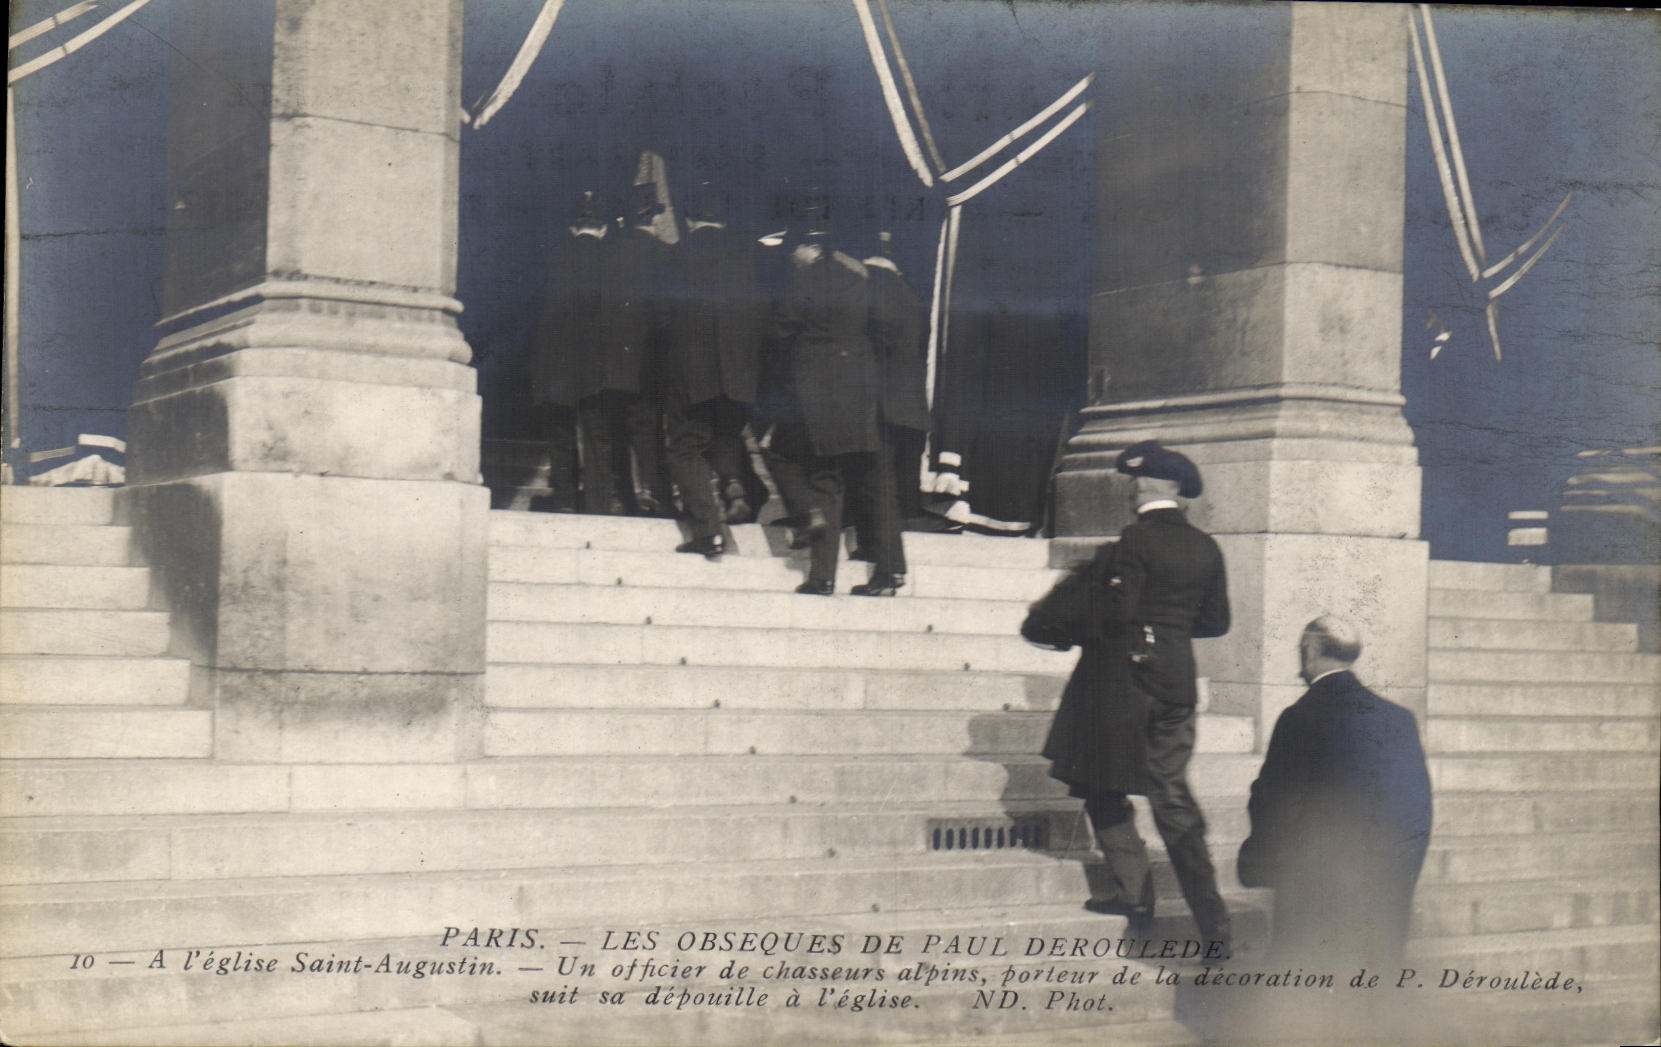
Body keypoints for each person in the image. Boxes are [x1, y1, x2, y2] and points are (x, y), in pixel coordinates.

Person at [1032, 439, 1232, 954]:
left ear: (1143, 488)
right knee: (1173, 803)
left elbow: (1113, 615)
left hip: (1123, 687)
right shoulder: (1207, 548)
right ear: (1178, 493)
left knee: (1103, 786)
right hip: (1177, 688)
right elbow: (1215, 622)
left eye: (1135, 484)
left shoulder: (1131, 543)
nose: (1132, 491)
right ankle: (1213, 924)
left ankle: (1136, 899)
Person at [1238, 615, 1434, 969]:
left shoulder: (1299, 718)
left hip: (1316, 895)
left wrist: (1265, 866)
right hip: (1383, 893)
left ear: (1312, 649)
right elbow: (1418, 813)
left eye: (1302, 651)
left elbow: (1274, 805)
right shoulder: (1398, 719)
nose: (1300, 666)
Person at [768, 206, 905, 596]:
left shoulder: (805, 280)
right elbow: (888, 329)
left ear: (809, 247)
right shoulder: (861, 279)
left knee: (823, 477)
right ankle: (890, 571)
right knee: (875, 481)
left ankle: (823, 574)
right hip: (862, 392)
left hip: (819, 393)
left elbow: (780, 329)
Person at [662, 182, 767, 558]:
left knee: (685, 448)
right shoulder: (749, 255)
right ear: (724, 219)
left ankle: (708, 531)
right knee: (726, 435)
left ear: (689, 219)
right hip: (739, 375)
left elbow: (662, 316)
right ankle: (742, 491)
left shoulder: (676, 254)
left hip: (692, 373)